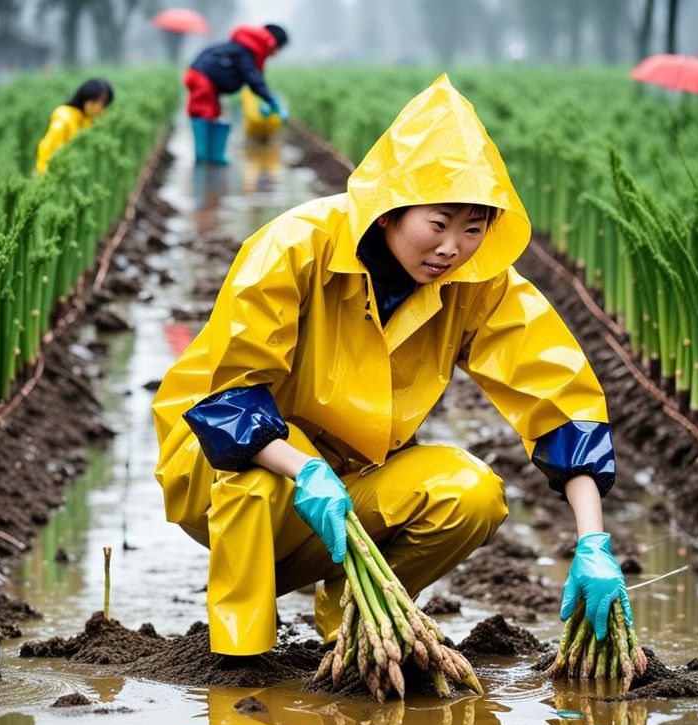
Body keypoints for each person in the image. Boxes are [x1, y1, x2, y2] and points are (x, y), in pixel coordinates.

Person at [155, 75, 624, 660]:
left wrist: (592, 540)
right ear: (389, 213)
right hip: (222, 462)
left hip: (351, 473)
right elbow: (229, 397)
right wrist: (303, 470)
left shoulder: (477, 284)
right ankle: (239, 657)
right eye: (439, 223)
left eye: (474, 229)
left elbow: (559, 402)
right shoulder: (297, 247)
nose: (453, 247)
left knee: (471, 494)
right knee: (253, 482)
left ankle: (351, 617)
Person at [185, 22, 288, 167]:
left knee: (213, 112)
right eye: (279, 49)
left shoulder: (250, 49)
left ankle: (214, 155)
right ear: (273, 43)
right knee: (204, 111)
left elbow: (257, 78)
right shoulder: (246, 50)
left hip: (206, 77)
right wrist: (271, 100)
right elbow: (253, 79)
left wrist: (265, 100)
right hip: (202, 76)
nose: (276, 54)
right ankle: (202, 156)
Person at [35, 78, 114, 175]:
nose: (98, 107)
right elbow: (46, 149)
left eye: (103, 103)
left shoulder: (88, 118)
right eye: (94, 101)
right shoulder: (64, 116)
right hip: (57, 173)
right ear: (84, 97)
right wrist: (44, 177)